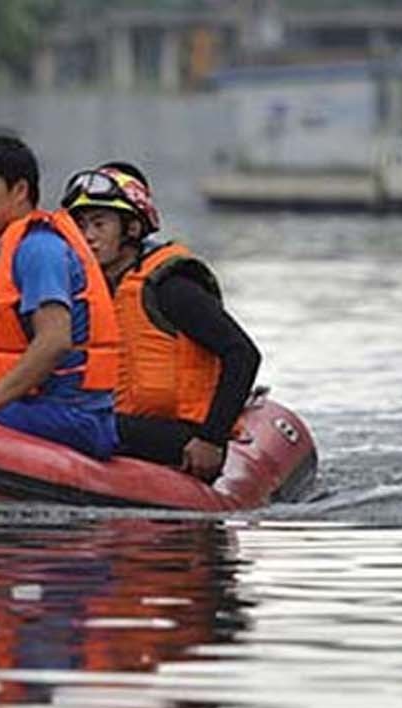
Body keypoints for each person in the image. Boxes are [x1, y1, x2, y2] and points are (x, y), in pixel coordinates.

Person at [63, 162, 261, 482]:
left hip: (182, 433)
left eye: (99, 224)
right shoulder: (88, 292)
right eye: (81, 225)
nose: (88, 237)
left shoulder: (171, 288)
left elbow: (242, 354)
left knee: (74, 423)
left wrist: (210, 439)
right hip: (123, 423)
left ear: (131, 229)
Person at [0, 135, 120, 460]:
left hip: (73, 416)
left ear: (20, 190)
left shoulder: (39, 248)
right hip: (40, 406)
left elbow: (54, 341)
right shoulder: (10, 247)